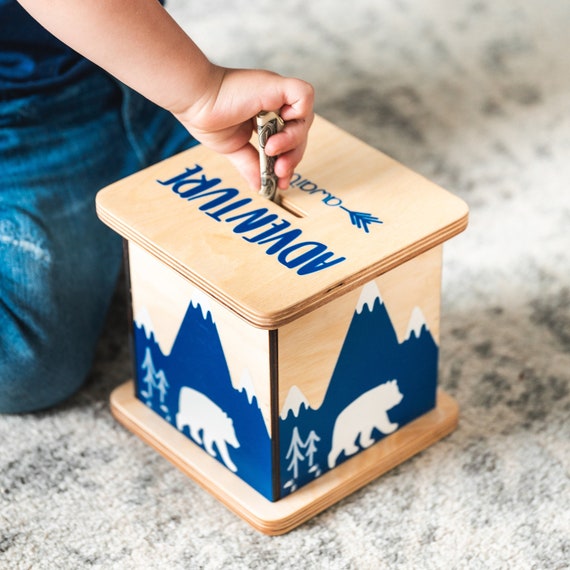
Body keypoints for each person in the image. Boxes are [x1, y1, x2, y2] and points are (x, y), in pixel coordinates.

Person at [0, 0, 314, 413]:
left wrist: (182, 79)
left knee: (314, 218)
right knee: (24, 366)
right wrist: (203, 92)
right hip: (16, 124)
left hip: (133, 60)